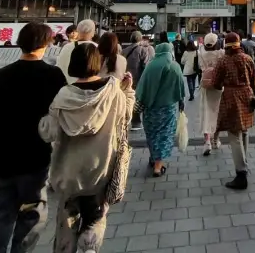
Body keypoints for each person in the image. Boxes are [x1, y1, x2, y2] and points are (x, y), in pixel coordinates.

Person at [0, 22, 66, 253]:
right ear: (46, 45)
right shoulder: (52, 76)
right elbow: (62, 114)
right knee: (32, 217)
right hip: (34, 159)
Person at [39, 43, 134, 253]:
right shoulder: (113, 92)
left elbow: (48, 133)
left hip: (69, 171)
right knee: (96, 217)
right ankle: (90, 247)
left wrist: (43, 120)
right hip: (100, 169)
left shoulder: (64, 96)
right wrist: (128, 91)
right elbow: (126, 118)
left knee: (67, 221)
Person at [213, 33, 255, 190]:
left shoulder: (223, 60)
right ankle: (244, 163)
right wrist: (252, 94)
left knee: (234, 135)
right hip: (247, 95)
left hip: (231, 97)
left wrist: (223, 87)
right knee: (244, 131)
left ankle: (241, 172)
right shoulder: (248, 59)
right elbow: (254, 80)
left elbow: (215, 82)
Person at [135, 42, 185, 177]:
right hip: (167, 109)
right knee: (164, 135)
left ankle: (153, 157)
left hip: (150, 109)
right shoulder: (174, 66)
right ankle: (158, 166)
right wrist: (181, 102)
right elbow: (180, 87)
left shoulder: (151, 66)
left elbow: (142, 87)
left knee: (152, 134)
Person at [123, 31, 155, 130]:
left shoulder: (124, 51)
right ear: (140, 39)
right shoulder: (142, 50)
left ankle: (128, 120)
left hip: (126, 80)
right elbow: (146, 66)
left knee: (129, 99)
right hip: (139, 79)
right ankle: (137, 122)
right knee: (139, 100)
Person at [198, 33, 225, 155]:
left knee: (206, 113)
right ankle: (216, 139)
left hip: (205, 86)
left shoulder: (201, 53)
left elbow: (200, 67)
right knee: (218, 113)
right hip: (219, 86)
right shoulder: (221, 53)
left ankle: (207, 142)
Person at [57, 19, 97, 84]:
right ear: (93, 32)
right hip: (93, 86)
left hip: (69, 85)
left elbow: (59, 66)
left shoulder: (67, 47)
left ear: (78, 30)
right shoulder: (97, 47)